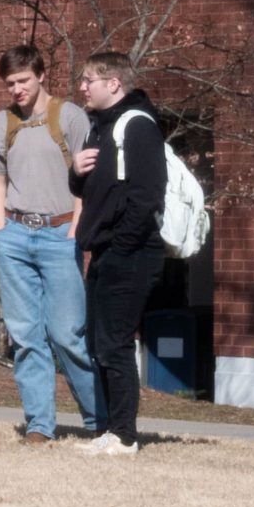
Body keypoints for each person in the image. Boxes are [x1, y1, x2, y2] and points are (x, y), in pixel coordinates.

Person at [0, 44, 102, 442]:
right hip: (15, 235)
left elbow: (88, 180)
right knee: (26, 335)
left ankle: (98, 420)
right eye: (10, 83)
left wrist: (75, 229)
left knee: (68, 335)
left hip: (60, 235)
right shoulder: (1, 123)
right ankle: (39, 425)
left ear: (41, 75)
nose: (16, 89)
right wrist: (1, 231)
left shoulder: (70, 117)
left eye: (23, 81)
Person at [70, 51, 167, 454]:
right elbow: (87, 191)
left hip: (131, 252)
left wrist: (122, 246)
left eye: (89, 79)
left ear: (114, 84)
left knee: (115, 342)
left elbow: (147, 196)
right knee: (98, 343)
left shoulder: (138, 126)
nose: (81, 87)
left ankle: (124, 435)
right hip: (105, 250)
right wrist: (75, 171)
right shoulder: (99, 128)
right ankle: (110, 430)